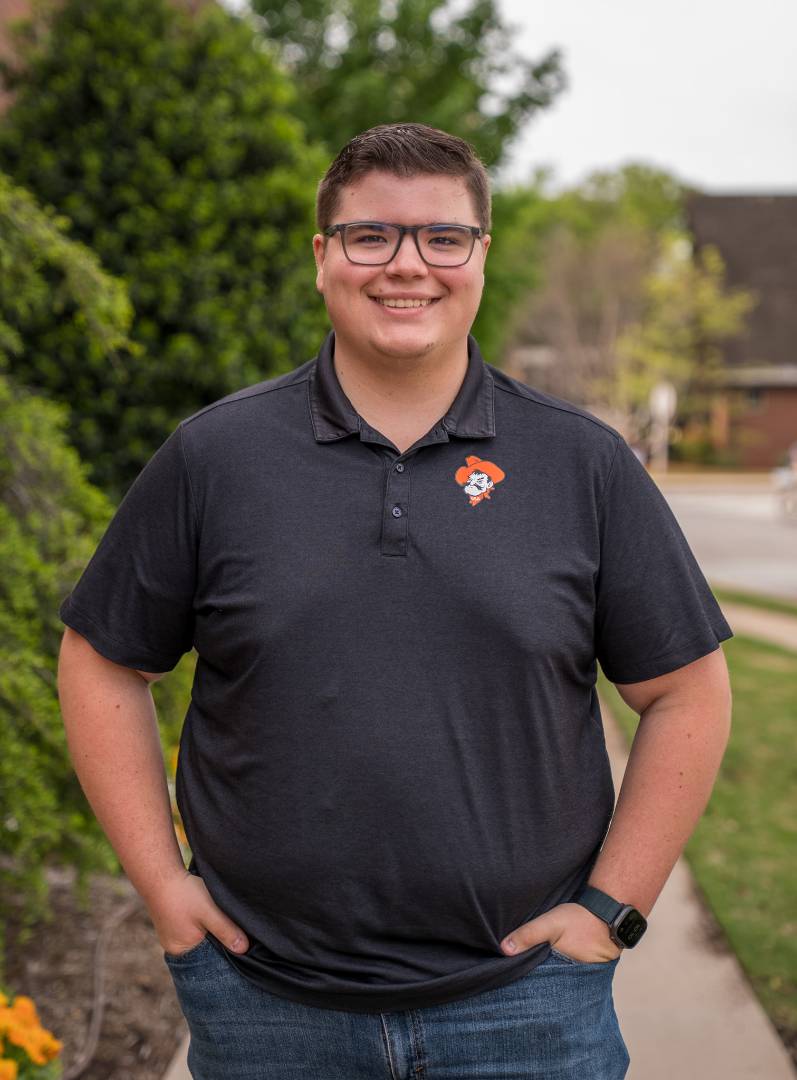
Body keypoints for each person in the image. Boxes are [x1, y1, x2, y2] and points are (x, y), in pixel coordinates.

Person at [57, 123, 733, 1080]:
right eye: (370, 235)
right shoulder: (215, 458)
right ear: (324, 255)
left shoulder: (579, 464)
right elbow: (100, 658)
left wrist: (609, 910)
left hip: (528, 1006)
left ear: (480, 256)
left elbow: (688, 692)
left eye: (441, 237)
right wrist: (164, 887)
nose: (406, 265)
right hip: (265, 1009)